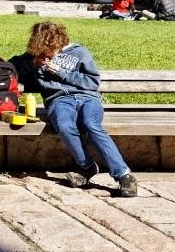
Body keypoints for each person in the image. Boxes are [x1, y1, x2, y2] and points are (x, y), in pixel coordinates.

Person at [11, 21, 138, 197]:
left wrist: (62, 73)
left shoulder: (79, 53)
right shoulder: (35, 55)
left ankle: (124, 175)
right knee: (64, 125)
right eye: (41, 51)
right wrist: (33, 63)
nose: (46, 55)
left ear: (58, 43)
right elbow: (11, 68)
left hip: (88, 98)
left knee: (91, 124)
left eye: (49, 50)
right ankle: (86, 167)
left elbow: (92, 82)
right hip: (59, 101)